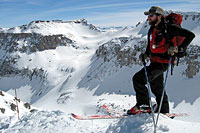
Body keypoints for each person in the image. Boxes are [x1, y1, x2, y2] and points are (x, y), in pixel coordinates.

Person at [127, 6, 195, 115]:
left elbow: (190, 35)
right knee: (158, 89)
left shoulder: (170, 28)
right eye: (148, 16)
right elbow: (150, 46)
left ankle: (144, 105)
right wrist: (146, 54)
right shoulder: (152, 29)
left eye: (151, 16)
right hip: (154, 62)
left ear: (159, 16)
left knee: (138, 79)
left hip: (162, 63)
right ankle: (164, 112)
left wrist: (178, 48)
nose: (148, 18)